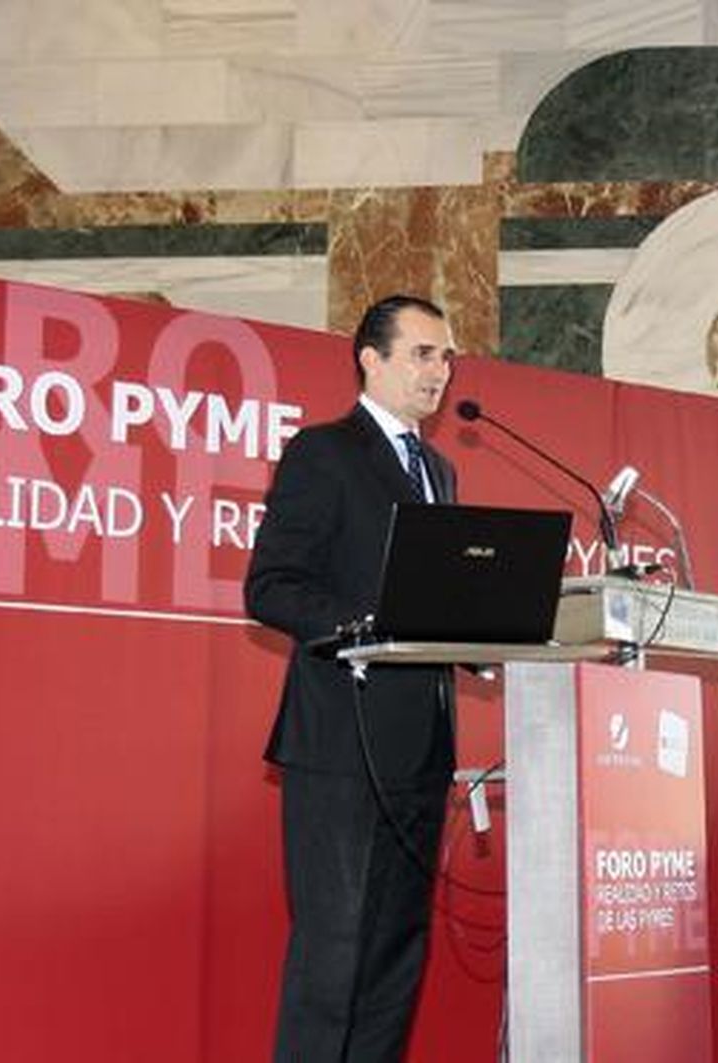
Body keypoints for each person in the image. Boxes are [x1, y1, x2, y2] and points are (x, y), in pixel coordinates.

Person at [245, 294, 458, 1061]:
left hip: (421, 749)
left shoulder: (439, 469)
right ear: (371, 358)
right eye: (423, 353)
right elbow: (270, 586)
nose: (440, 371)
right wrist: (365, 626)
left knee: (394, 956)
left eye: (446, 357)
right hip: (342, 744)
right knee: (333, 958)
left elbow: (433, 597)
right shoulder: (324, 452)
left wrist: (478, 631)